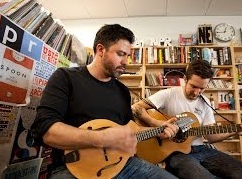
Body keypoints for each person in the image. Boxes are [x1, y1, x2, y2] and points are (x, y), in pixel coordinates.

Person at [30, 24, 178, 179]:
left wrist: (157, 129)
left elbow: (128, 132)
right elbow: (46, 131)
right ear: (101, 50)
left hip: (122, 165)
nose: (125, 61)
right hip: (73, 168)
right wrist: (103, 138)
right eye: (120, 54)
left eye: (127, 55)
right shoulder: (65, 78)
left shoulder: (122, 91)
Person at [132, 59, 242, 179]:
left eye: (202, 88)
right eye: (193, 86)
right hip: (177, 154)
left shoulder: (205, 102)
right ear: (185, 79)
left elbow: (211, 137)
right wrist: (158, 124)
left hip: (202, 150)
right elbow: (136, 108)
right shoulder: (168, 94)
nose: (196, 92)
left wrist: (236, 130)